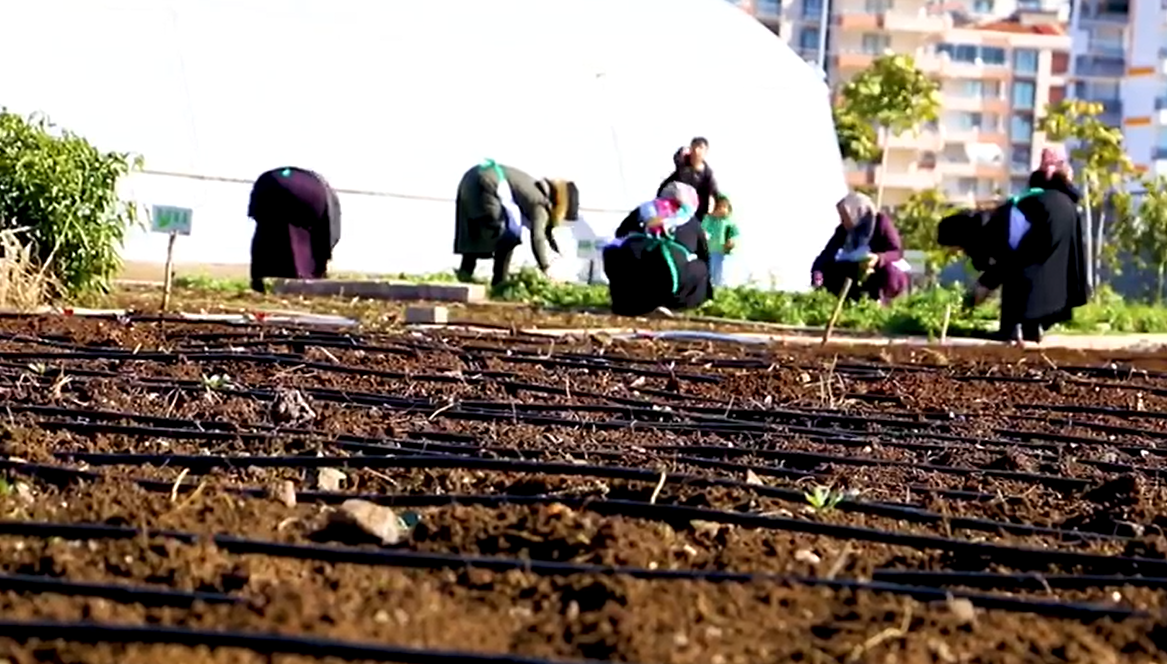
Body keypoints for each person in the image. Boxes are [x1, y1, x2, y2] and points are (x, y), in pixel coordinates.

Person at [937, 168, 1087, 345]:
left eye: (956, 246)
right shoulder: (992, 219)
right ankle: (1029, 330)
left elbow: (1008, 260)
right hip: (1062, 213)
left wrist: (983, 285)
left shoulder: (990, 227)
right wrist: (986, 283)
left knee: (1018, 273)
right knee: (1030, 272)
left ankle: (1012, 331)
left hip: (1051, 216)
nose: (957, 252)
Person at [454, 160, 579, 286]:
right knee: (509, 237)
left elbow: (546, 232)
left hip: (470, 178)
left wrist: (556, 249)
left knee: (474, 232)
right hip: (488, 183)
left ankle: (464, 275)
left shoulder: (534, 187)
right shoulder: (540, 202)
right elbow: (537, 237)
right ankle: (499, 284)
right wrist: (546, 268)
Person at [603, 182, 712, 317]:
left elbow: (620, 234)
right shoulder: (689, 218)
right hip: (669, 273)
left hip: (634, 271)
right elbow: (704, 254)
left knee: (614, 251)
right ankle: (677, 306)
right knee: (700, 267)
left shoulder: (641, 211)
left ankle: (626, 305)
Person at [247, 166, 341, 293]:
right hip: (311, 191)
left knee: (269, 238)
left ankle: (262, 284)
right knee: (301, 256)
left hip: (268, 183)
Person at [811, 192, 909, 304]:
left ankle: (881, 303)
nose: (842, 221)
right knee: (833, 269)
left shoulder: (881, 223)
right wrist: (818, 277)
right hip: (855, 274)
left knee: (889, 272)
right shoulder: (843, 231)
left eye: (845, 216)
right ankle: (844, 303)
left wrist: (877, 258)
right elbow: (825, 257)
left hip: (878, 273)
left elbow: (896, 252)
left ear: (856, 212)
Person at [658, 137, 720, 221]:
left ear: (705, 152)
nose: (696, 151)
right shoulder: (683, 164)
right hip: (673, 204)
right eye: (694, 147)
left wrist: (712, 201)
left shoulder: (707, 174)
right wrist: (683, 150)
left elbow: (714, 192)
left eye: (700, 148)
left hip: (694, 211)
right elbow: (678, 157)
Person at [702, 194, 739, 287]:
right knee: (708, 270)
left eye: (724, 207)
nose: (722, 210)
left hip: (722, 251)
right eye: (719, 207)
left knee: (720, 271)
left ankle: (719, 286)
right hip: (708, 250)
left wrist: (731, 242)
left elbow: (734, 235)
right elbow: (703, 229)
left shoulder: (729, 222)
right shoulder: (709, 220)